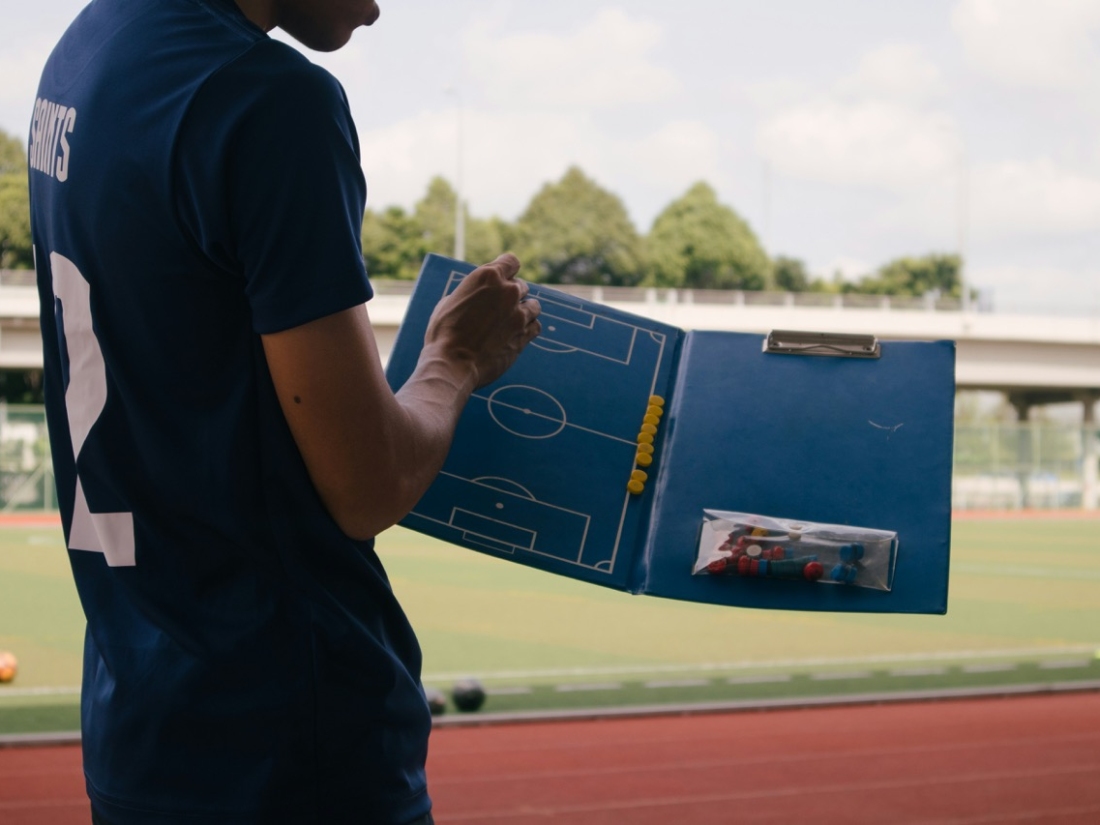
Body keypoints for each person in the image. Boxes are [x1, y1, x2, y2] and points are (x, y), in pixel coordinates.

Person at [28, 0, 541, 822]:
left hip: (140, 734)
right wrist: (455, 358)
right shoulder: (268, 100)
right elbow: (367, 486)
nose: (379, 9)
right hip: (288, 747)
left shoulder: (86, 48)